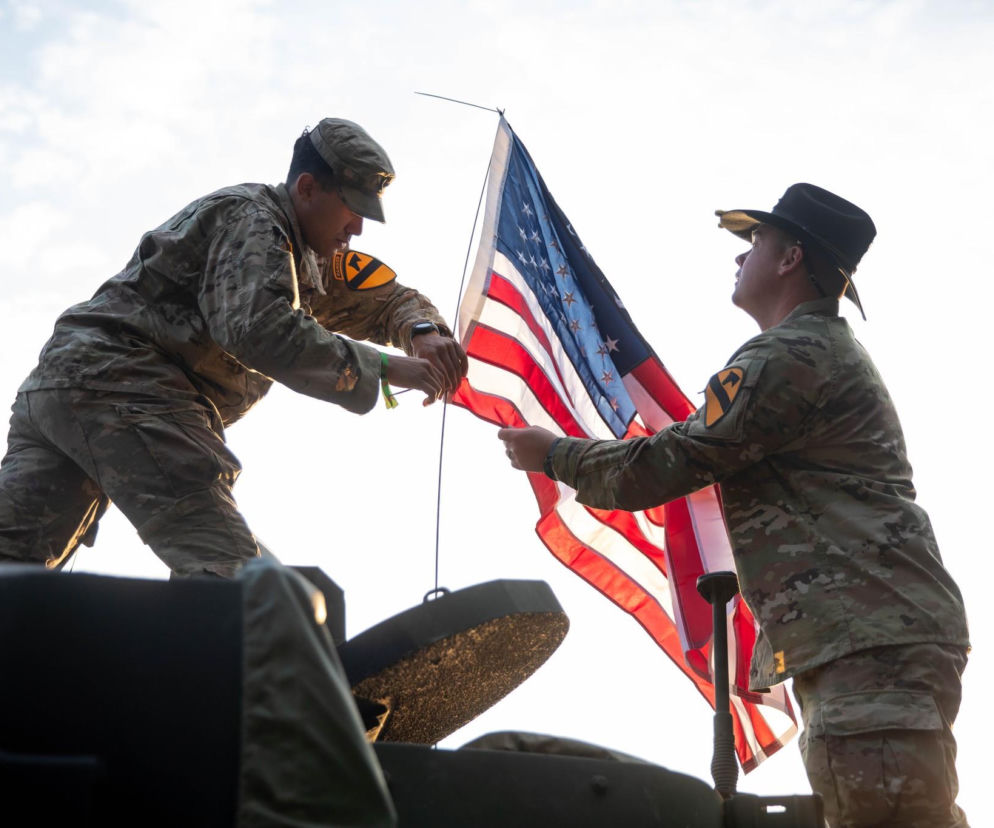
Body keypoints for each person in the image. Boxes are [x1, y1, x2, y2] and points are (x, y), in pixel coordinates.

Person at [497, 183, 970, 827]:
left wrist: (554, 454)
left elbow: (674, 460)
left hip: (866, 641)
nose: (740, 256)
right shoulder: (815, 349)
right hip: (866, 635)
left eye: (756, 242)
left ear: (790, 258)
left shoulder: (793, 354)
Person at [0, 117, 468, 579]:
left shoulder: (308, 256)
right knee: (232, 573)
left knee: (12, 565)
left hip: (62, 387)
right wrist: (385, 367)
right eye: (351, 207)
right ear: (307, 188)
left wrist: (423, 331)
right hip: (124, 387)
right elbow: (257, 328)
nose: (358, 228)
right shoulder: (254, 220)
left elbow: (388, 299)